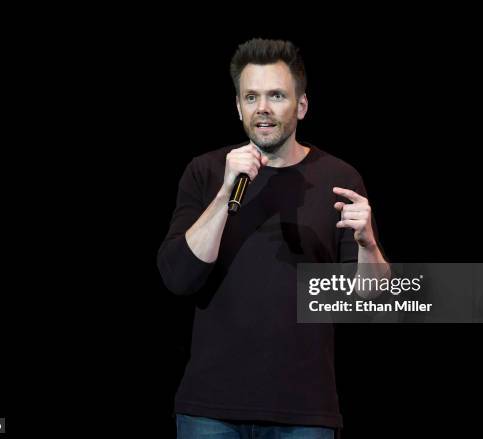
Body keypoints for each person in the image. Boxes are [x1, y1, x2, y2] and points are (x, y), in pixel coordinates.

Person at [157, 38, 389, 439]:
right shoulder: (206, 171)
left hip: (304, 412)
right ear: (238, 106)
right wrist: (225, 191)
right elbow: (178, 277)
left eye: (276, 95)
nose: (262, 107)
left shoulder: (340, 178)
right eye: (251, 96)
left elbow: (371, 302)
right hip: (210, 409)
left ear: (301, 105)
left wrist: (368, 243)